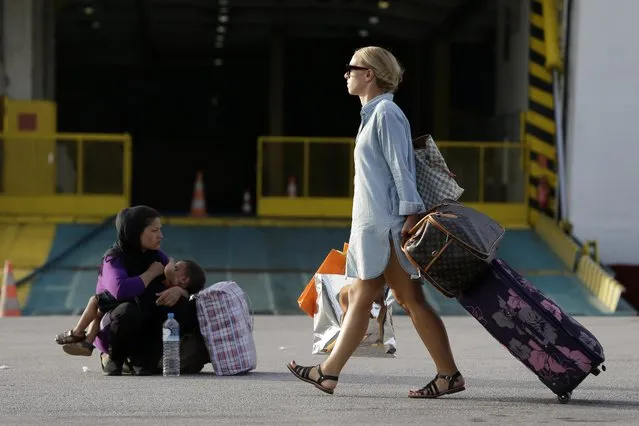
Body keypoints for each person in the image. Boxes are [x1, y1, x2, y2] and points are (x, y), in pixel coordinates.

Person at [286, 46, 466, 398]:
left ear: (369, 74)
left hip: (387, 226)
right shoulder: (373, 115)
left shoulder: (386, 114)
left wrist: (409, 216)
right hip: (376, 226)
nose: (346, 74)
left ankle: (332, 372)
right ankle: (330, 372)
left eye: (351, 68)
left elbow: (402, 168)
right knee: (373, 297)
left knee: (407, 299)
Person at [55, 258, 206, 357]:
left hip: (134, 316)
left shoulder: (162, 286)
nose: (173, 266)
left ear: (184, 279)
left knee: (95, 301)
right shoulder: (176, 292)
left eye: (177, 267)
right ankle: (88, 340)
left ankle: (78, 332)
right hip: (144, 339)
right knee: (101, 306)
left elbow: (166, 265)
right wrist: (182, 291)